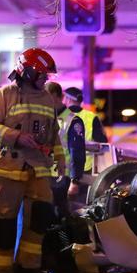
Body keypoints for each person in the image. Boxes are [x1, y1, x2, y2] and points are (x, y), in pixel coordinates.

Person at [0, 48, 65, 273]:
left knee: (40, 218)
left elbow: (53, 134)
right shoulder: (4, 95)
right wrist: (15, 136)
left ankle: (28, 268)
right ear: (27, 72)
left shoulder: (47, 98)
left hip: (38, 169)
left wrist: (60, 159)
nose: (46, 79)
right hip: (7, 170)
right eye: (43, 75)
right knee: (4, 223)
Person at [45, 82, 87, 217]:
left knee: (60, 214)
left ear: (57, 97)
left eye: (47, 97)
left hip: (62, 177)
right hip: (44, 174)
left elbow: (77, 152)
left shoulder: (72, 121)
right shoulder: (46, 117)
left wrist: (75, 181)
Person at [60, 86, 108, 177]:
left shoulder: (61, 116)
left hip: (65, 166)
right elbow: (103, 142)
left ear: (67, 98)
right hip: (86, 167)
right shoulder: (91, 116)